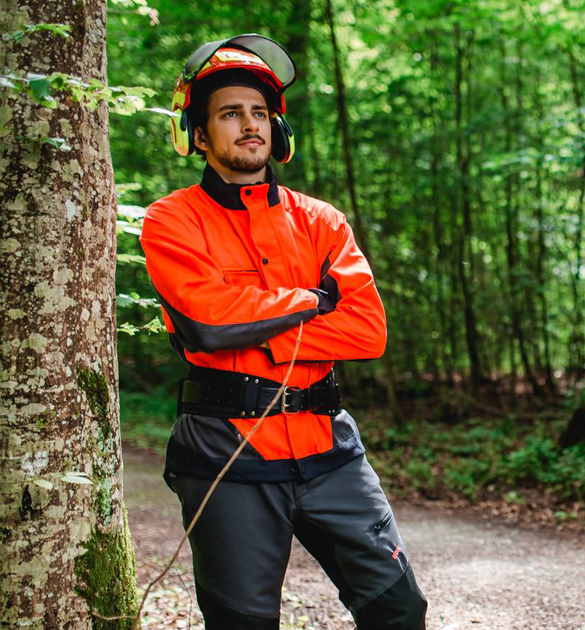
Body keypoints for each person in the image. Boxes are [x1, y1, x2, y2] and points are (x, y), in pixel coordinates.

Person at [139, 33, 427, 630]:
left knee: (398, 609)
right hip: (225, 454)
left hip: (330, 451)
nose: (250, 125)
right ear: (197, 134)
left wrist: (261, 329)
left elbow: (367, 331)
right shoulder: (174, 218)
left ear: (278, 130)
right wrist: (311, 302)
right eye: (229, 113)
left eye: (259, 113)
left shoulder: (321, 221)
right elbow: (204, 323)